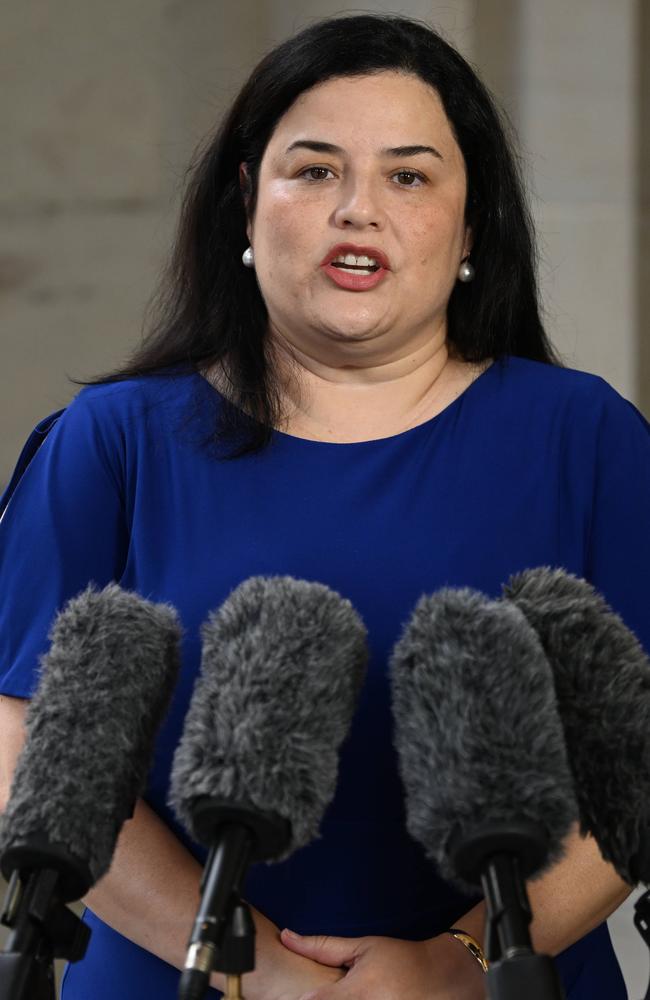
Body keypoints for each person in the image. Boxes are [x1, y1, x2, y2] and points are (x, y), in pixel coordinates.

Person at [0, 13, 648, 1000]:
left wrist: (458, 963)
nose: (358, 208)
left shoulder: (585, 439)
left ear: (469, 228)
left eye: (408, 174)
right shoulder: (111, 441)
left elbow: (636, 754)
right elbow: (20, 741)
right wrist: (241, 960)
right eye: (312, 170)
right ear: (243, 212)